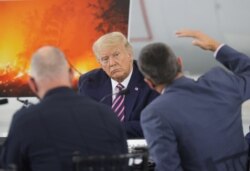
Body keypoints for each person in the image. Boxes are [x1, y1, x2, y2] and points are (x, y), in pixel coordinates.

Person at [137, 29, 250, 171]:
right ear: (179, 62)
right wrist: (216, 47)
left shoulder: (154, 113)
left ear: (149, 82)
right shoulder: (221, 82)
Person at [0, 46, 128, 171]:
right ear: (71, 74)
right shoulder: (108, 115)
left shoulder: (25, 121)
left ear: (32, 84)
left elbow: (10, 165)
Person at [78, 32, 159, 138]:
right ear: (100, 63)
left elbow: (154, 124)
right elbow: (84, 124)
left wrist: (110, 129)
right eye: (105, 59)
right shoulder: (89, 82)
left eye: (116, 55)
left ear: (129, 54)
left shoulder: (150, 78)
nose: (112, 63)